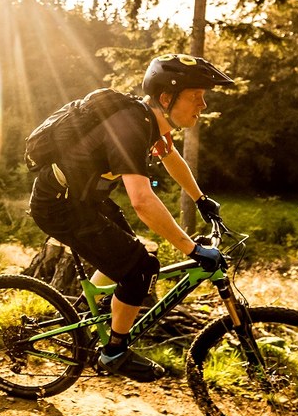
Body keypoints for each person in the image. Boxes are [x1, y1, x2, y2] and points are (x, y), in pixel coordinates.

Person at [27, 53, 233, 382]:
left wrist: (201, 199)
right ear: (167, 98)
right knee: (140, 269)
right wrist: (191, 249)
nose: (203, 105)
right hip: (59, 205)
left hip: (86, 200)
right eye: (196, 97)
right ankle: (114, 352)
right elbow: (142, 201)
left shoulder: (148, 121)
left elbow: (170, 156)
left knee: (135, 253)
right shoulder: (130, 126)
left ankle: (84, 314)